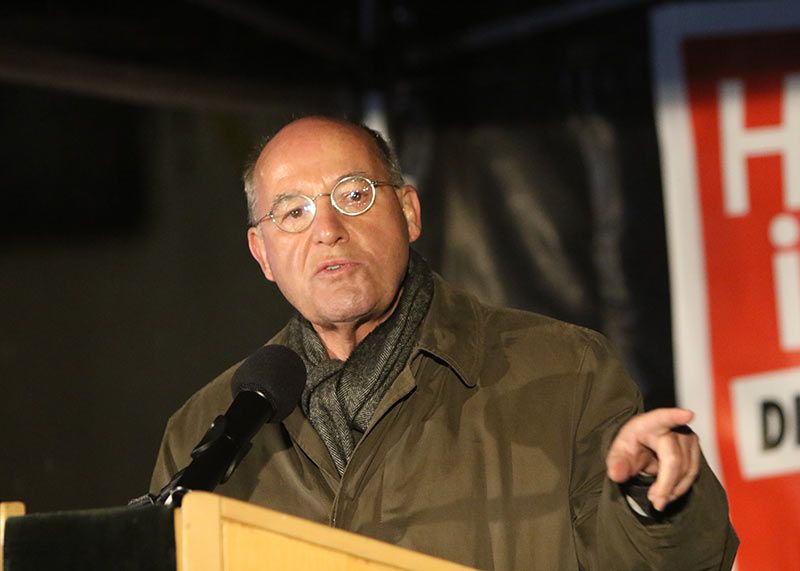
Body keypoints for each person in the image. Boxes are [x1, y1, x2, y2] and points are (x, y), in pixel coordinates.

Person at [150, 116, 738, 569]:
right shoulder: (207, 428)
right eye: (293, 212)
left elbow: (684, 563)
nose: (327, 230)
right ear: (262, 255)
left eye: (353, 195)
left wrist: (652, 499)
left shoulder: (565, 373)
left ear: (408, 212)